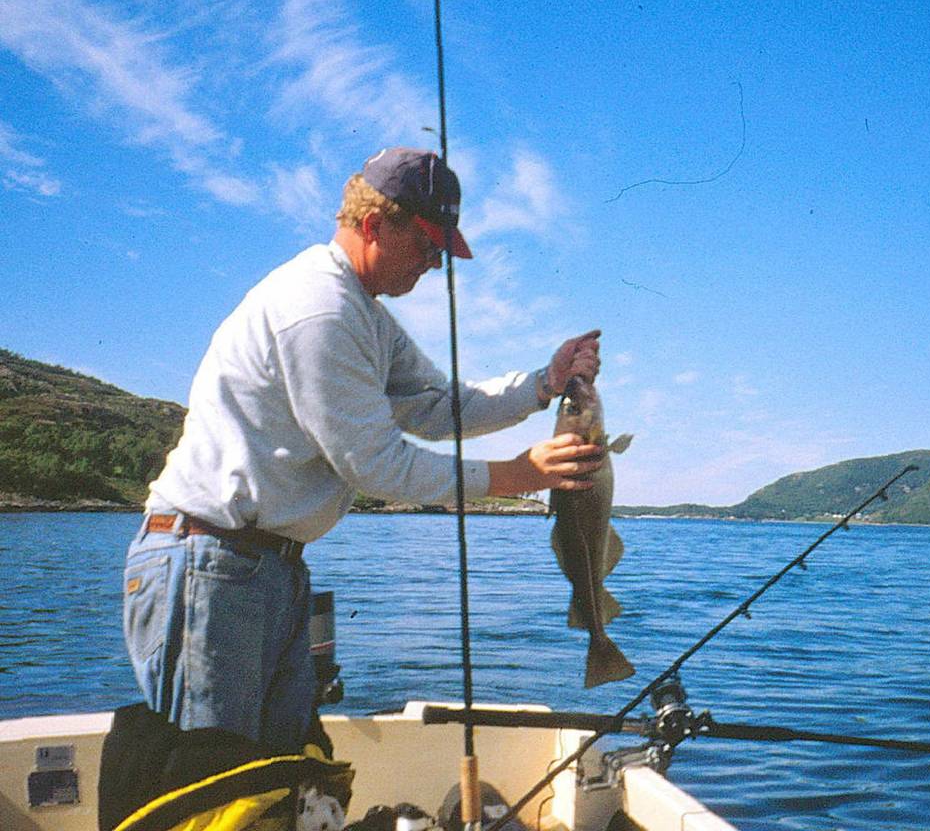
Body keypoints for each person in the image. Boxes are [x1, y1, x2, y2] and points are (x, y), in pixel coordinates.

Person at [121, 147, 603, 756]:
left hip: (259, 568)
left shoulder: (362, 315)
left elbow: (436, 405)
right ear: (375, 224)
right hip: (210, 565)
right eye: (429, 247)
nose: (434, 266)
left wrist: (543, 383)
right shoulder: (319, 308)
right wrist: (515, 474)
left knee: (275, 778)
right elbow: (374, 464)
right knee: (213, 788)